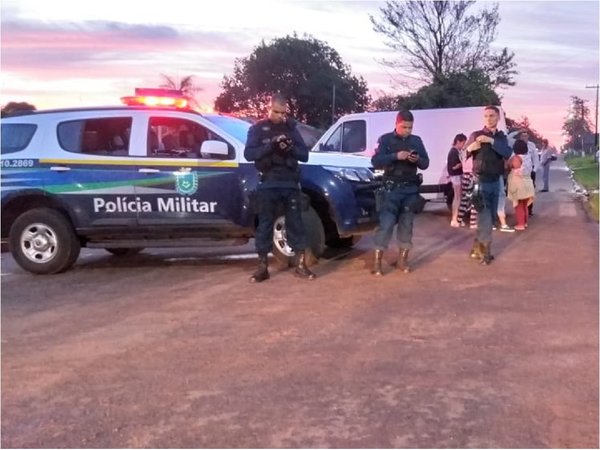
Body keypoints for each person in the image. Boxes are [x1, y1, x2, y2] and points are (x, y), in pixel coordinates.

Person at [244, 93, 316, 283]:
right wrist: (272, 147)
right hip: (268, 182)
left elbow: (304, 155)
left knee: (296, 223)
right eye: (276, 112)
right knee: (265, 224)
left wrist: (289, 147)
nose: (279, 116)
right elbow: (249, 154)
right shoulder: (258, 129)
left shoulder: (292, 129)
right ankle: (262, 267)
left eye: (283, 113)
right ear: (269, 108)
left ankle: (301, 265)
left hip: (289, 182)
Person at [370, 110, 430, 276]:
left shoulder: (416, 141)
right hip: (391, 188)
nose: (408, 131)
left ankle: (403, 260)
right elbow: (375, 161)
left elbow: (426, 163)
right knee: (386, 224)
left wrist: (416, 159)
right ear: (396, 124)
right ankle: (377, 262)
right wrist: (396, 156)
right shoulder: (385, 139)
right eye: (404, 127)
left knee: (406, 224)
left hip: (410, 189)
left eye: (410, 128)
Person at [464, 106, 512, 265]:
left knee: (490, 217)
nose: (489, 118)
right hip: (480, 181)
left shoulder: (501, 137)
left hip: (496, 181)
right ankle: (486, 253)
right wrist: (471, 147)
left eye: (492, 116)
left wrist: (491, 141)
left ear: (498, 117)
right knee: (484, 216)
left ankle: (476, 248)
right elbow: (463, 154)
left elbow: (506, 152)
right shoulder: (476, 135)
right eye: (486, 116)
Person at [507, 140, 535, 230]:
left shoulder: (516, 158)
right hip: (528, 183)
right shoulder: (528, 157)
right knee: (524, 205)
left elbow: (514, 167)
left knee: (518, 205)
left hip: (519, 184)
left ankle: (521, 224)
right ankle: (525, 222)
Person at [447, 134, 466, 227]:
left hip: (457, 175)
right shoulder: (453, 152)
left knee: (459, 197)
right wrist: (463, 163)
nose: (464, 145)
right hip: (456, 176)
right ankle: (454, 219)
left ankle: (458, 218)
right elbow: (454, 167)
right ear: (458, 141)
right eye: (463, 143)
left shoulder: (456, 151)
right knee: (457, 197)